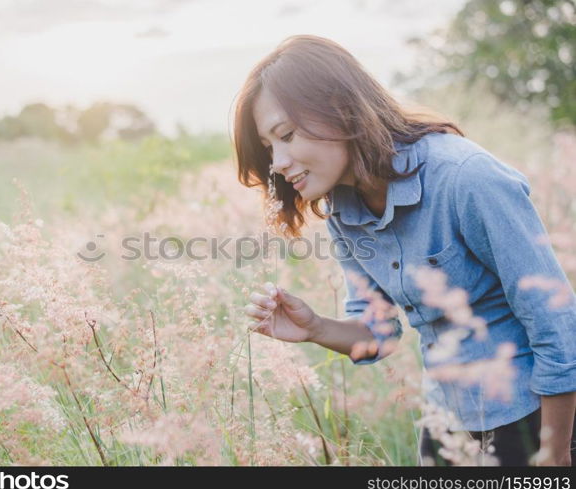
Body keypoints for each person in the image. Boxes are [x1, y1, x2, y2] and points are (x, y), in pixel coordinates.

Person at [235, 34, 576, 466]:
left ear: (340, 110)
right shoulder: (344, 209)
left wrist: (555, 455)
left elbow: (557, 326)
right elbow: (379, 333)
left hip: (533, 422)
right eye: (269, 149)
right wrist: (316, 327)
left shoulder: (465, 179)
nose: (278, 163)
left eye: (285, 135)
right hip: (446, 425)